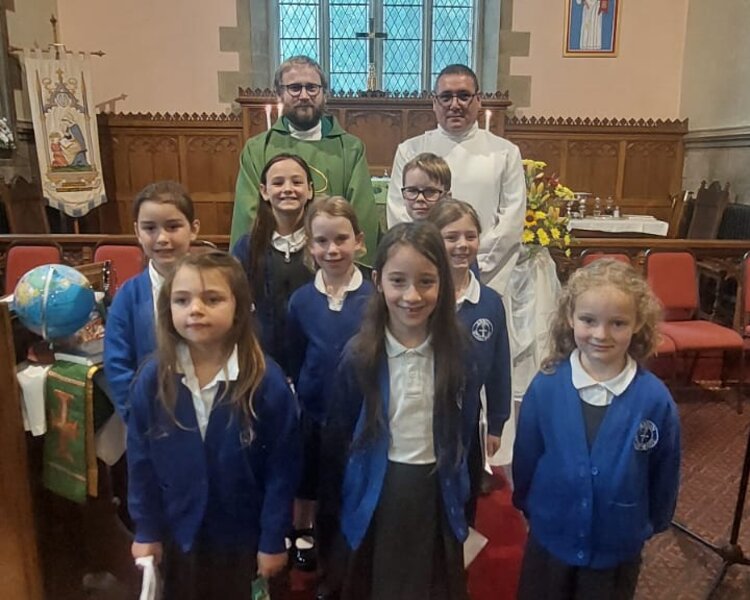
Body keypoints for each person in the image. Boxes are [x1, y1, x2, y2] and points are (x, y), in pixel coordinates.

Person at [127, 251, 300, 599]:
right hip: (180, 536)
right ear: (167, 308)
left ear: (239, 306)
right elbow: (141, 461)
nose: (195, 309)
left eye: (212, 299)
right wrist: (146, 530)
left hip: (243, 539)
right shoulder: (152, 379)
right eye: (182, 299)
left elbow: (282, 471)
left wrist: (271, 538)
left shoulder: (266, 382)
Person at [320, 221, 476, 600]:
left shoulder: (460, 353)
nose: (412, 295)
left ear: (444, 283)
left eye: (426, 281)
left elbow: (466, 430)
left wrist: (466, 507)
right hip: (378, 490)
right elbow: (337, 440)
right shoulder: (359, 357)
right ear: (378, 281)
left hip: (435, 491)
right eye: (398, 281)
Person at [512, 259, 681, 600]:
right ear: (570, 319)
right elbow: (526, 458)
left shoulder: (654, 400)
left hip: (616, 546)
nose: (601, 334)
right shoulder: (546, 387)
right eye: (589, 320)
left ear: (637, 324)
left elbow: (665, 472)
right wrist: (535, 509)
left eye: (617, 323)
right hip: (551, 538)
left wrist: (647, 523)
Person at [285, 196, 374, 573]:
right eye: (322, 241)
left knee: (346, 483)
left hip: (359, 414)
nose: (332, 249)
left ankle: (349, 549)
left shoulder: (376, 297)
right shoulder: (301, 301)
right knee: (308, 478)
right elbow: (293, 355)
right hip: (313, 410)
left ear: (359, 241)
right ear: (310, 245)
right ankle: (305, 535)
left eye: (341, 239)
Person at [387, 64, 525, 298]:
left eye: (463, 96)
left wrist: (471, 261)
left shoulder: (505, 153)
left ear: (478, 100)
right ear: (434, 102)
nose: (455, 104)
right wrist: (429, 261)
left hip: (485, 273)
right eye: (446, 97)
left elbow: (512, 219)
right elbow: (399, 212)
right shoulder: (410, 150)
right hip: (425, 273)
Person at [231, 55, 378, 263]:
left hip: (333, 262)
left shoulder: (350, 149)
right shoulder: (258, 149)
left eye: (312, 88)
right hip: (274, 266)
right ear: (280, 93)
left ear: (324, 94)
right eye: (294, 88)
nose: (304, 95)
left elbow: (361, 215)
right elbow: (249, 214)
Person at [428, 199, 511, 523]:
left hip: (468, 420)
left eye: (470, 236)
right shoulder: (422, 296)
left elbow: (499, 368)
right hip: (425, 417)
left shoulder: (489, 303)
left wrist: (498, 421)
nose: (462, 245)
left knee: (465, 496)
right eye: (451, 237)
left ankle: (459, 554)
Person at [104, 180, 200, 420]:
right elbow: (117, 365)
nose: (162, 238)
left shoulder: (214, 287)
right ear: (137, 231)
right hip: (152, 414)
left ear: (194, 228)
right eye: (150, 228)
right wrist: (136, 417)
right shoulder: (128, 296)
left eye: (173, 226)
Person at [231, 153, 315, 371]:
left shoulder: (322, 246)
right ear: (264, 191)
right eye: (278, 183)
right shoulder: (246, 248)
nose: (288, 189)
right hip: (261, 363)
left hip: (312, 363)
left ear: (310, 190)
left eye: (297, 182)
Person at [398, 152, 452, 222]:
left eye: (430, 191)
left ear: (447, 198)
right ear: (404, 195)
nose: (420, 198)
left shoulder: (457, 232)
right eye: (412, 190)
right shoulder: (401, 232)